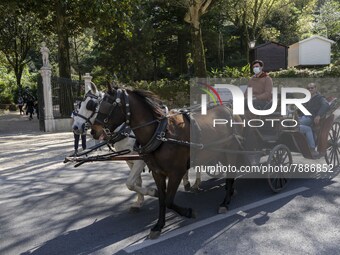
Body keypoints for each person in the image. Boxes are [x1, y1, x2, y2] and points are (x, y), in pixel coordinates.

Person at [299, 83, 329, 158]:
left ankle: (312, 149)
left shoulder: (319, 98)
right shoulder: (306, 98)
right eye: (308, 88)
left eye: (312, 88)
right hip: (303, 117)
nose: (310, 89)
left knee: (295, 124)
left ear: (315, 89)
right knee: (303, 127)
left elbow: (326, 105)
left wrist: (318, 115)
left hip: (311, 118)